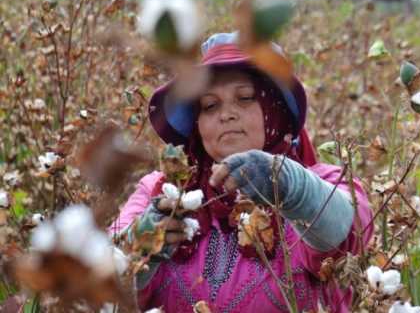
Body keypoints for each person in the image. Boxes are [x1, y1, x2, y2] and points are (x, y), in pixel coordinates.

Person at [109, 32, 373, 312]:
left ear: (276, 110)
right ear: (198, 124)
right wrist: (139, 245)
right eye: (210, 105)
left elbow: (344, 229)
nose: (226, 114)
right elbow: (97, 274)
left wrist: (285, 182)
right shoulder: (161, 192)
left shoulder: (327, 183)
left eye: (245, 98)